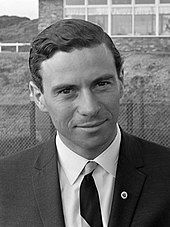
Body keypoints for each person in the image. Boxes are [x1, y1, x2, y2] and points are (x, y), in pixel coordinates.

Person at [0, 19, 170, 227]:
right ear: (38, 96)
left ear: (121, 82)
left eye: (101, 84)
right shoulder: (5, 183)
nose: (89, 108)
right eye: (67, 91)